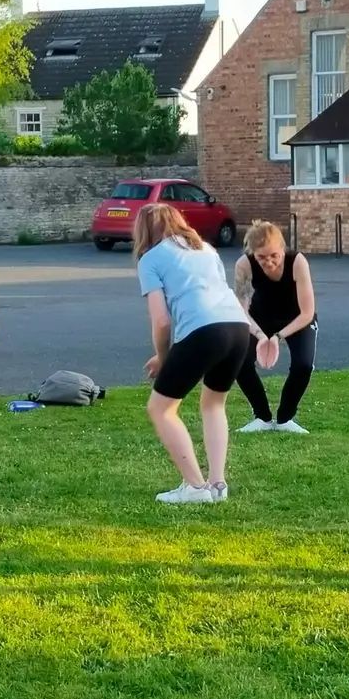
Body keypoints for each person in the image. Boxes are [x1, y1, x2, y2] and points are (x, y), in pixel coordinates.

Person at [135, 203, 260, 504]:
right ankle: (217, 485)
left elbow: (162, 320)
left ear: (143, 232)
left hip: (204, 330)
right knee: (213, 404)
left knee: (161, 409)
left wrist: (163, 357)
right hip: (237, 328)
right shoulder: (206, 249)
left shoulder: (150, 259)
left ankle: (195, 487)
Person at [233, 221, 318, 434]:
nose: (268, 262)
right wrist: (261, 335)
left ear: (282, 249)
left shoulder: (297, 262)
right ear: (253, 253)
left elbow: (307, 312)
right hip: (261, 318)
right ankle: (261, 416)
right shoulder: (243, 265)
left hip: (297, 317)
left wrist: (278, 336)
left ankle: (285, 418)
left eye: (274, 256)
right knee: (239, 362)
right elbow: (240, 310)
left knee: (303, 365)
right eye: (261, 257)